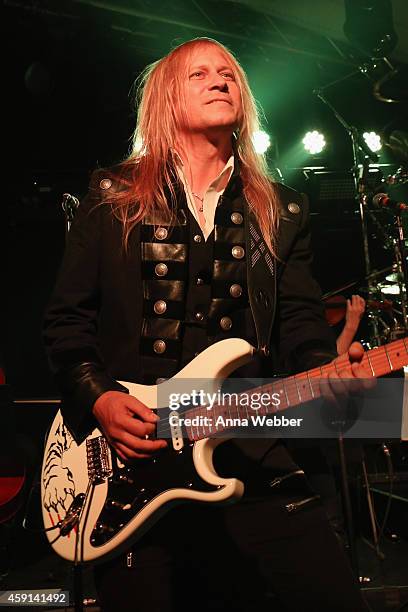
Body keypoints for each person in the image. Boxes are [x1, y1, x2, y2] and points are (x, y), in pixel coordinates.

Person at [43, 37, 372, 612]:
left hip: (253, 450)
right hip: (134, 459)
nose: (221, 80)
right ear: (167, 98)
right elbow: (67, 324)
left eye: (228, 74)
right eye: (200, 74)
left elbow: (298, 323)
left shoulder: (281, 207)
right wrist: (98, 399)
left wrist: (329, 375)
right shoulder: (113, 195)